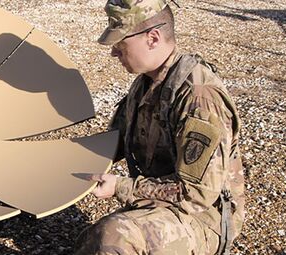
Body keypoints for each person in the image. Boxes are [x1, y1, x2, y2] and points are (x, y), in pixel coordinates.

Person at [74, 0, 245, 254]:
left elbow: (196, 194)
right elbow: (114, 142)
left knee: (114, 237)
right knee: (89, 241)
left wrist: (121, 186)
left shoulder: (199, 98)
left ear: (152, 38)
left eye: (121, 44)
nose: (114, 53)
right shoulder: (145, 83)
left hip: (203, 219)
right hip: (163, 203)